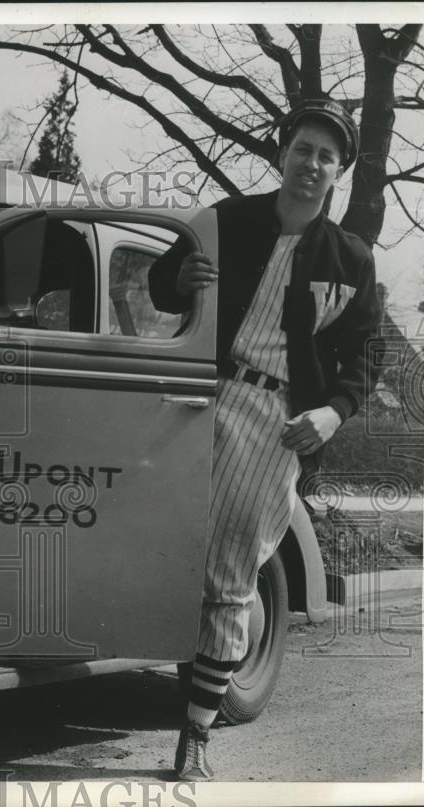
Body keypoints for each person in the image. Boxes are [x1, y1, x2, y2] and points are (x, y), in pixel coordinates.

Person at [147, 98, 382, 781]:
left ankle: (194, 740)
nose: (312, 164)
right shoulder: (225, 220)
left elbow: (365, 353)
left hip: (272, 417)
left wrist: (334, 412)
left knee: (228, 573)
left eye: (326, 157)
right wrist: (178, 278)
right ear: (282, 153)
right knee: (139, 542)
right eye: (303, 149)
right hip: (190, 397)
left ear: (339, 172)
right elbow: (162, 283)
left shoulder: (350, 257)